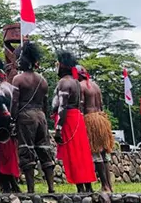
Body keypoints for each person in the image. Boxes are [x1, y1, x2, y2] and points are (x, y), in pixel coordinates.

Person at [11, 41, 56, 193]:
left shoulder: (18, 79)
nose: (18, 62)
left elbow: (15, 102)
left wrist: (12, 119)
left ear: (25, 60)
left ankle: (31, 190)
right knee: (44, 150)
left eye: (19, 59)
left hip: (25, 116)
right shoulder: (42, 80)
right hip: (41, 116)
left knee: (26, 150)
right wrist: (45, 119)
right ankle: (51, 187)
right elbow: (45, 104)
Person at [52, 53, 95, 193]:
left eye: (57, 64)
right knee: (82, 153)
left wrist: (58, 128)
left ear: (62, 66)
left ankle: (81, 188)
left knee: (74, 154)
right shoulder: (75, 82)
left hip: (69, 120)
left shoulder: (64, 82)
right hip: (77, 118)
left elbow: (62, 106)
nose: (56, 67)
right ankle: (87, 186)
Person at [77, 65, 115, 193]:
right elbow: (102, 105)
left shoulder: (81, 86)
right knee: (104, 153)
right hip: (102, 119)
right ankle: (109, 185)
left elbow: (81, 106)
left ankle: (104, 185)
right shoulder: (96, 86)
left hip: (90, 120)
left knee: (96, 152)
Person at [0, 56, 21, 193]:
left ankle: (7, 184)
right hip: (8, 122)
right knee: (8, 155)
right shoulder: (9, 86)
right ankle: (9, 184)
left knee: (1, 156)